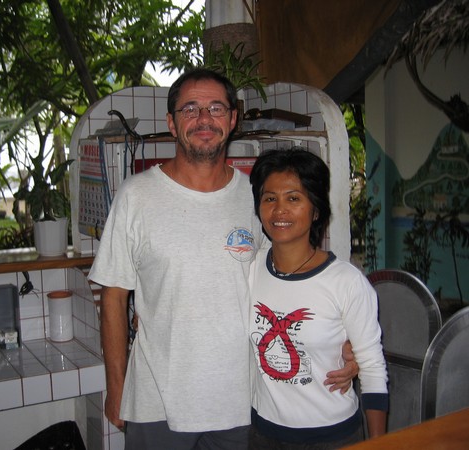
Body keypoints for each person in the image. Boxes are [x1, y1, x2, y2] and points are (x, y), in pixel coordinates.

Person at [88, 68, 357, 450]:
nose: (203, 119)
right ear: (171, 121)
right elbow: (113, 296)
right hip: (156, 401)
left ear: (233, 119)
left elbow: (293, 276)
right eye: (190, 109)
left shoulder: (257, 197)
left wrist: (345, 339)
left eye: (216, 108)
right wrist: (116, 387)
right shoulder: (136, 196)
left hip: (240, 399)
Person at [248, 148, 388, 449]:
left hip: (332, 437)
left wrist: (379, 445)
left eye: (294, 198)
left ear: (316, 210)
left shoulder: (346, 282)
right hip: (263, 434)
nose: (279, 210)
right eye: (269, 198)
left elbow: (373, 368)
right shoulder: (249, 269)